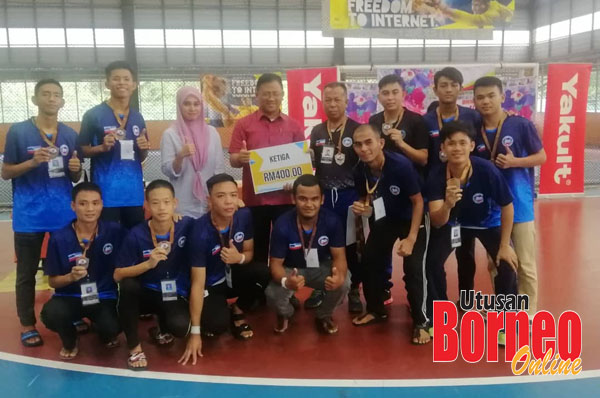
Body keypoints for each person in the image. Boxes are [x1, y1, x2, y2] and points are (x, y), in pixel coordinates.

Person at [1, 78, 82, 348]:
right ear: (35, 99)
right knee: (26, 273)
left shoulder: (70, 134)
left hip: (63, 216)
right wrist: (32, 161)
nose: (51, 99)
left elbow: (75, 176)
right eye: (45, 94)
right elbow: (6, 172)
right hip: (29, 216)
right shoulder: (19, 132)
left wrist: (74, 168)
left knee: (69, 266)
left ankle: (73, 313)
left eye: (56, 95)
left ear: (62, 101)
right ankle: (27, 324)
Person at [424, 121, 519, 341]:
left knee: (506, 265)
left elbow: (507, 206)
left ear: (472, 145)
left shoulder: (487, 170)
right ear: (443, 148)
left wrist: (505, 246)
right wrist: (447, 204)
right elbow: (437, 221)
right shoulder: (437, 176)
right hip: (454, 224)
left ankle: (507, 322)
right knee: (432, 262)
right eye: (451, 144)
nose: (456, 148)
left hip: (488, 222)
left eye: (462, 143)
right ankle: (442, 317)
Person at [473, 76, 546, 317]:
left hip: (520, 205)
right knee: (497, 262)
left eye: (491, 96)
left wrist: (515, 162)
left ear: (502, 97)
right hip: (491, 209)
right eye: (480, 97)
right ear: (474, 101)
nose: (486, 101)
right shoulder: (475, 130)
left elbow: (541, 157)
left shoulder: (520, 125)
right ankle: (505, 311)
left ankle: (528, 315)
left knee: (525, 264)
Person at [350, 124, 430, 345]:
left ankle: (421, 321)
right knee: (370, 260)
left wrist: (411, 238)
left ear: (381, 143)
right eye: (358, 144)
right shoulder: (360, 170)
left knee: (413, 267)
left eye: (369, 142)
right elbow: (366, 197)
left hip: (411, 218)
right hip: (386, 218)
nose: (364, 148)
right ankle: (376, 309)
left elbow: (418, 201)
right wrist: (363, 207)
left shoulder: (400, 165)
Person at [114, 180, 195, 370]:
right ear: (147, 205)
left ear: (175, 203)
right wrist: (148, 264)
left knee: (181, 328)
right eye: (155, 203)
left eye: (166, 202)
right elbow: (117, 274)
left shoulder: (186, 225)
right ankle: (134, 348)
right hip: (146, 293)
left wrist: (238, 208)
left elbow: (213, 222)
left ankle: (161, 328)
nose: (162, 208)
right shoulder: (136, 234)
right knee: (128, 286)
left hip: (174, 291)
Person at [228, 73, 305, 266]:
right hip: (255, 199)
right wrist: (241, 158)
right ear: (256, 95)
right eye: (266, 93)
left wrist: (296, 182)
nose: (271, 98)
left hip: (285, 198)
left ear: (282, 95)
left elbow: (300, 165)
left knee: (287, 246)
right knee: (257, 247)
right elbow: (233, 159)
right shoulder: (243, 124)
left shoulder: (294, 126)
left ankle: (285, 291)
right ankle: (258, 290)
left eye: (275, 93)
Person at [41, 182, 123, 360]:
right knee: (51, 314)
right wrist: (71, 277)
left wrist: (173, 219)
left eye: (95, 203)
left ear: (102, 204)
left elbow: (144, 233)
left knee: (111, 329)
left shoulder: (114, 231)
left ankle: (101, 328)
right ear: (73, 206)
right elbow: (53, 282)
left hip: (103, 296)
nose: (90, 209)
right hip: (69, 297)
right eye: (83, 203)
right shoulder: (59, 238)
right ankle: (70, 339)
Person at [187, 174, 270, 341]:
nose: (228, 201)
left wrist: (238, 258)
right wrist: (194, 333)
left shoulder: (244, 215)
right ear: (209, 200)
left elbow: (249, 252)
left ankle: (238, 309)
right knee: (216, 326)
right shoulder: (199, 231)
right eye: (221, 196)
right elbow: (197, 282)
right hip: (211, 284)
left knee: (264, 272)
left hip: (234, 276)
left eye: (233, 195)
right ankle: (215, 309)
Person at [423, 67, 481, 301]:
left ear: (460, 88)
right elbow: (425, 157)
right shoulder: (425, 120)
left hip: (469, 192)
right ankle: (441, 304)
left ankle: (466, 301)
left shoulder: (472, 116)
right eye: (443, 85)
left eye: (453, 85)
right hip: (439, 190)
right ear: (435, 88)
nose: (448, 89)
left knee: (466, 253)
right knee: (436, 254)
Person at [265, 175, 350, 334]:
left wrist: (338, 277)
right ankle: (286, 314)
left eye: (314, 199)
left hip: (321, 267)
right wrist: (286, 281)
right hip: (291, 269)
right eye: (303, 199)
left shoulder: (332, 221)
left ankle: (324, 315)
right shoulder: (282, 224)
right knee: (272, 293)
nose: (309, 204)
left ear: (322, 199)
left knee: (344, 282)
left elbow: (339, 257)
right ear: (293, 199)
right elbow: (275, 264)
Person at [309, 82, 362, 313]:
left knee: (351, 246)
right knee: (319, 244)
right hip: (322, 198)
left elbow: (365, 166)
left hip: (348, 197)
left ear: (346, 101)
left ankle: (353, 290)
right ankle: (319, 287)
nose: (332, 104)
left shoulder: (357, 129)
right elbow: (313, 164)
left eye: (337, 99)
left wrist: (364, 197)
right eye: (327, 99)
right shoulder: (317, 131)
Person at [77, 60, 150, 229]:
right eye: (116, 78)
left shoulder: (137, 117)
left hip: (133, 194)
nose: (122, 83)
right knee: (107, 243)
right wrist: (101, 148)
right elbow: (81, 150)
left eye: (126, 79)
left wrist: (143, 148)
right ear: (107, 83)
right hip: (105, 194)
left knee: (134, 242)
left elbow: (141, 157)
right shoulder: (93, 115)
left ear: (134, 85)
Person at [160, 86, 225, 218]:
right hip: (183, 204)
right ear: (179, 106)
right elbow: (167, 170)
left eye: (196, 104)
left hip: (208, 203)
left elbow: (219, 171)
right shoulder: (171, 134)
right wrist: (180, 156)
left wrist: (216, 199)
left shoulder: (212, 133)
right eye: (187, 104)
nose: (192, 108)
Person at [434, 0, 513, 28]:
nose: (475, 8)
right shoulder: (494, 4)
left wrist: (445, 9)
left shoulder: (491, 15)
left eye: (478, 5)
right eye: (474, 5)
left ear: (486, 5)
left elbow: (472, 20)